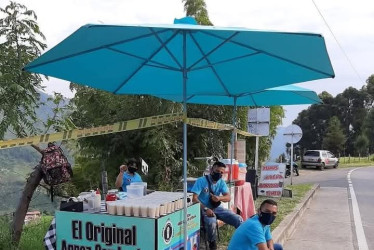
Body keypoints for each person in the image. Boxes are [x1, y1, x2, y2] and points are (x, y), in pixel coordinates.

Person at [191, 161, 243, 250]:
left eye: (221, 173)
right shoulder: (201, 181)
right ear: (211, 170)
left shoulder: (221, 182)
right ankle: (212, 244)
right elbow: (194, 198)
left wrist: (219, 198)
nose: (219, 174)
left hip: (216, 208)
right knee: (211, 223)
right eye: (217, 171)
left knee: (238, 219)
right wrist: (206, 208)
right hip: (202, 208)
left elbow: (228, 197)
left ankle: (241, 241)